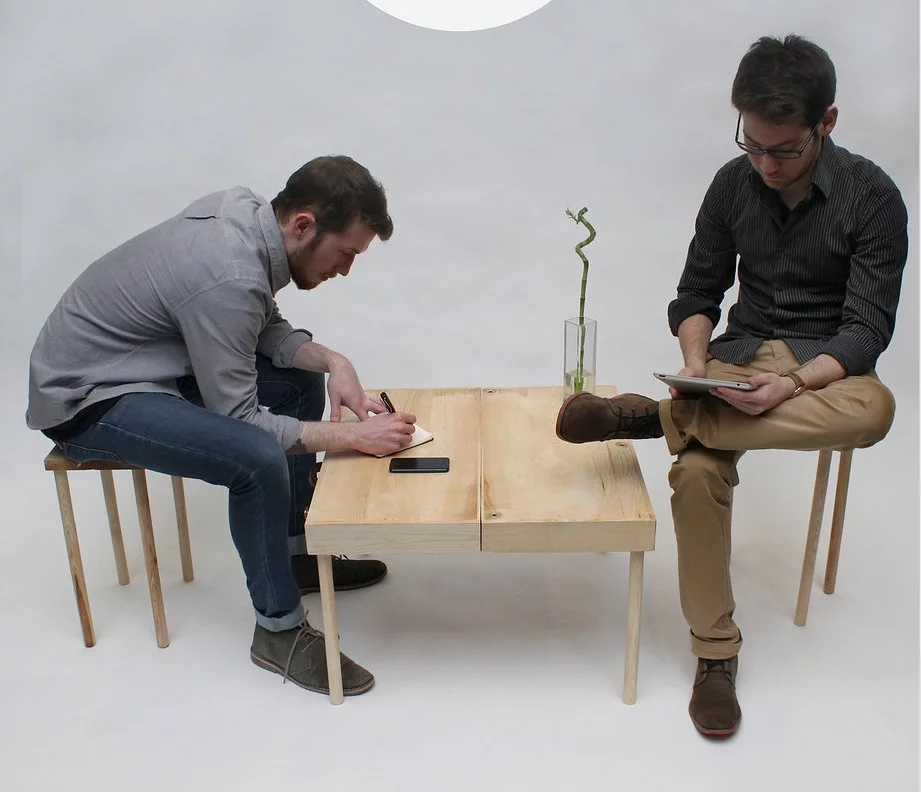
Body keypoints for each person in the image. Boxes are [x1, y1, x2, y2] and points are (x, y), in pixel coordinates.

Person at [555, 35, 908, 737]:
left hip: (821, 370)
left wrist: (789, 386)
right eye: (751, 145)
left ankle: (655, 418)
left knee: (876, 409)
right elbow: (696, 293)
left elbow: (865, 330)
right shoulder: (731, 183)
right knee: (694, 475)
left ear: (826, 124)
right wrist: (695, 365)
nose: (765, 164)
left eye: (783, 150)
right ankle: (714, 654)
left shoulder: (872, 197)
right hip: (737, 354)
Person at [27, 155, 419, 696]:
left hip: (147, 366)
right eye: (346, 253)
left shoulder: (247, 217)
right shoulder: (229, 274)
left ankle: (291, 557)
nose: (346, 269)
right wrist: (355, 435)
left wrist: (335, 363)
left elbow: (263, 328)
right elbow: (242, 421)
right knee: (253, 459)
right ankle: (278, 631)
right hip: (87, 397)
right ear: (303, 224)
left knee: (297, 383)